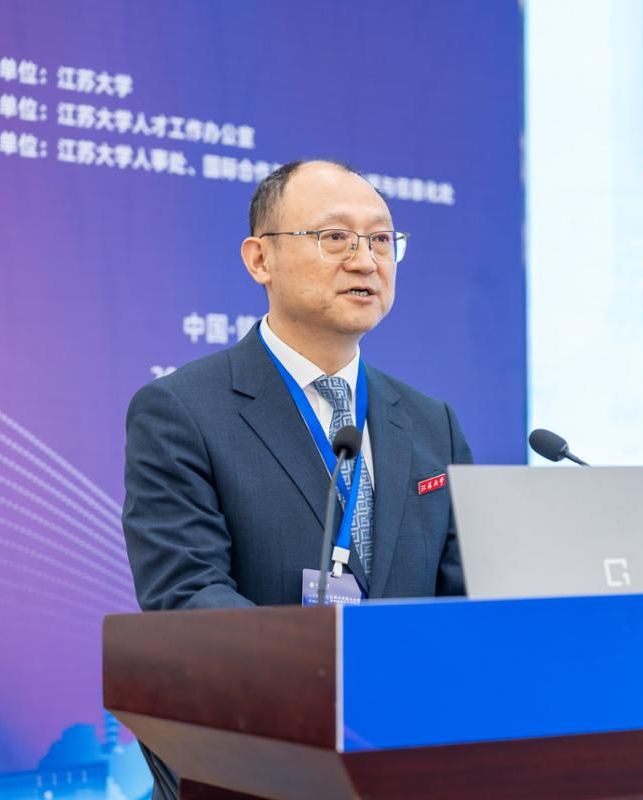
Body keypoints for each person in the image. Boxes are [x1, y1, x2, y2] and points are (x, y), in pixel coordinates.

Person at [122, 161, 474, 800]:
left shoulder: (431, 423)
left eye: (381, 239)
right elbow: (187, 594)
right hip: (258, 763)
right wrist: (330, 681)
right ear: (260, 259)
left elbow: (467, 597)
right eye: (335, 237)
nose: (365, 260)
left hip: (410, 763)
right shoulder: (182, 409)